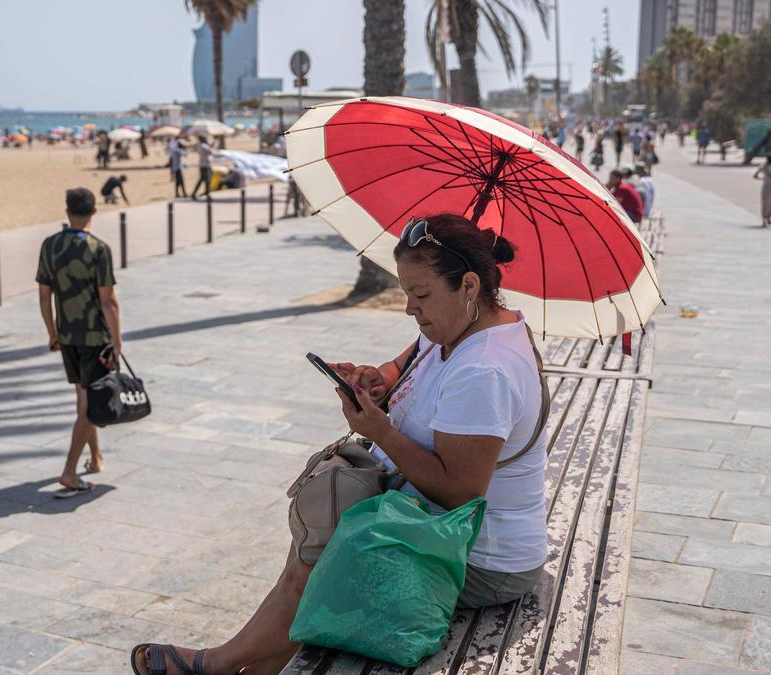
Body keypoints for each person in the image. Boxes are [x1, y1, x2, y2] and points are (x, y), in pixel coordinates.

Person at [129, 215, 547, 674]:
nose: (410, 308)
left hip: (483, 560)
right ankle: (245, 666)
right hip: (447, 535)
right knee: (323, 526)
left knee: (325, 552)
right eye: (407, 292)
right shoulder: (456, 329)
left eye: (421, 294)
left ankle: (217, 665)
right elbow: (404, 366)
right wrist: (378, 380)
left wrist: (381, 432)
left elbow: (459, 492)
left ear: (469, 285)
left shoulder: (484, 369)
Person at [36, 188, 122, 498]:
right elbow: (108, 301)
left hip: (68, 335)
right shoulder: (98, 249)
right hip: (94, 337)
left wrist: (52, 331)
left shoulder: (50, 245)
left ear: (67, 210)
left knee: (85, 397)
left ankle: (96, 457)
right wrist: (117, 342)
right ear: (94, 211)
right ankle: (70, 472)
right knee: (89, 402)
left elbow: (44, 295)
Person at [754, 155, 771, 227]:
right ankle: (769, 215)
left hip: (765, 186)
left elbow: (755, 176)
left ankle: (763, 221)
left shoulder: (763, 166)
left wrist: (762, 179)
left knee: (764, 203)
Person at [190, 136, 213, 200]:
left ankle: (200, 193)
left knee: (202, 180)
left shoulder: (199, 146)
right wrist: (210, 146)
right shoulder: (204, 146)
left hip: (202, 165)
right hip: (206, 165)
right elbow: (210, 152)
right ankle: (205, 194)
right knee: (207, 180)